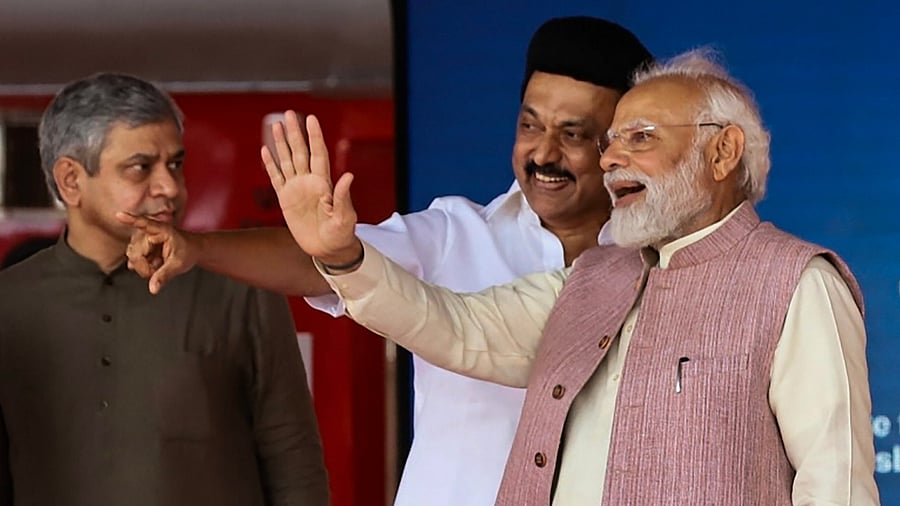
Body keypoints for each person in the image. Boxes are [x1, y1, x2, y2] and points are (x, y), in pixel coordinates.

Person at [265, 49, 881, 505]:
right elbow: (455, 326)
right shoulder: (595, 276)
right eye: (613, 142)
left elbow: (838, 486)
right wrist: (344, 256)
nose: (612, 159)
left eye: (641, 138)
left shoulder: (795, 283)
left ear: (722, 154)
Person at [120, 17, 653, 505]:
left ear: (619, 146)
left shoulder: (662, 265)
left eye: (574, 134)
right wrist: (197, 247)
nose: (542, 154)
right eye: (530, 126)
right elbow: (324, 264)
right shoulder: (454, 233)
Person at [0, 73, 329, 506]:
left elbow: (293, 458)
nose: (170, 188)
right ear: (71, 181)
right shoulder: (11, 304)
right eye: (141, 168)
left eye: (175, 164)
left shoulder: (243, 288)